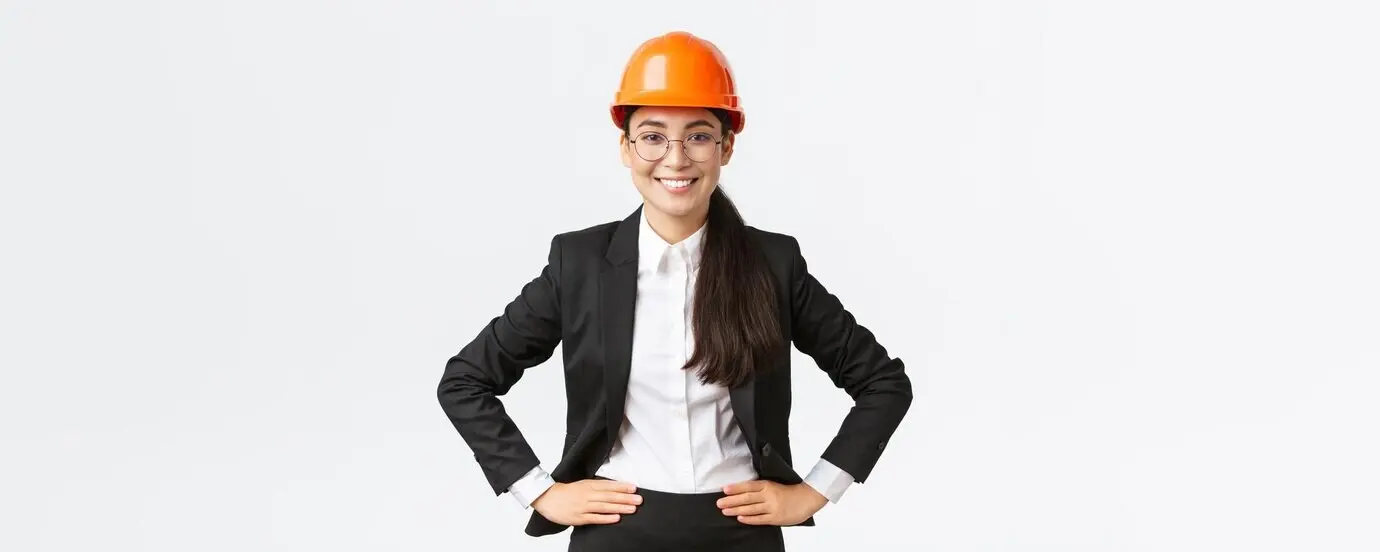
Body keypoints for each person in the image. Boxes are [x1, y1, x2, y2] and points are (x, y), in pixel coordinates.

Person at [437, 31, 912, 552]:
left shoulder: (772, 264)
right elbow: (466, 381)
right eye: (654, 135)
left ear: (726, 146)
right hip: (617, 532)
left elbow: (883, 383)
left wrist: (815, 491)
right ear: (626, 146)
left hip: (740, 533)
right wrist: (538, 491)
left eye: (699, 135)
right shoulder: (579, 264)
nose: (676, 158)